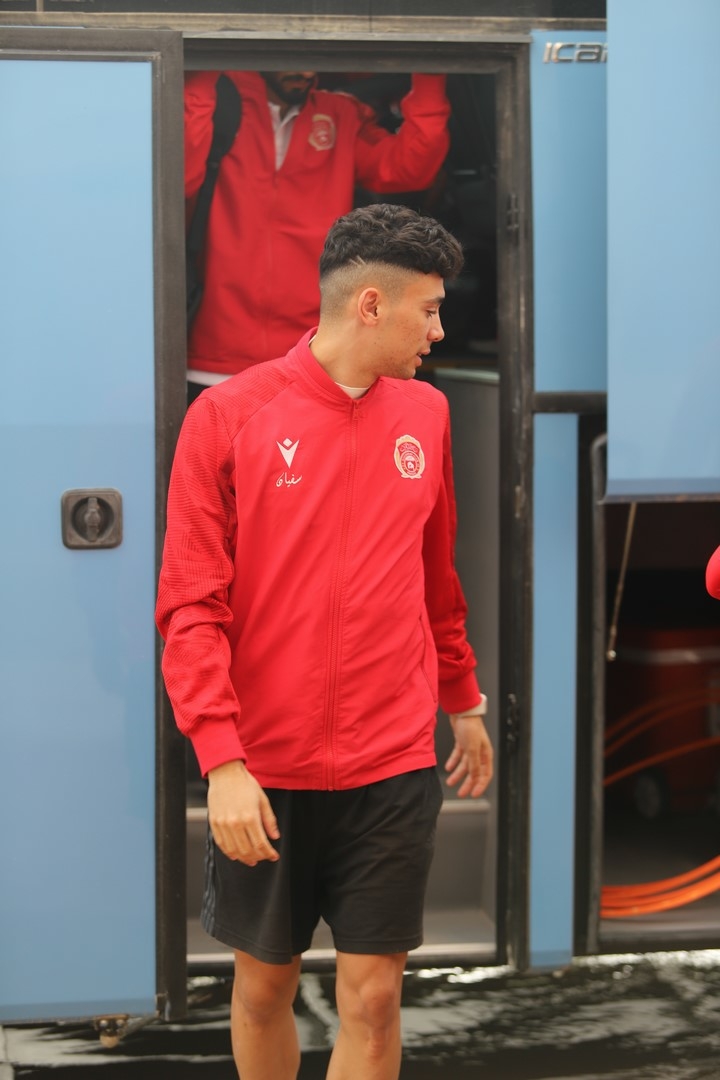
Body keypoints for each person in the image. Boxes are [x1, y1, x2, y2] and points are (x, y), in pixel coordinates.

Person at [156, 202, 493, 1080]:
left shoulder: (427, 413)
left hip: (393, 760)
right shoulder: (228, 415)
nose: (440, 330)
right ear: (371, 305)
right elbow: (189, 606)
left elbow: (436, 576)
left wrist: (462, 701)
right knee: (265, 988)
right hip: (267, 768)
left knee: (375, 1000)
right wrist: (222, 760)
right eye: (429, 310)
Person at [184, 69, 451, 400]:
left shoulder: (340, 113)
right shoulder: (216, 99)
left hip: (316, 351)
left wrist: (430, 71)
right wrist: (203, 68)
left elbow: (410, 166)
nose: (304, 71)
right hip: (216, 347)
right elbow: (174, 177)